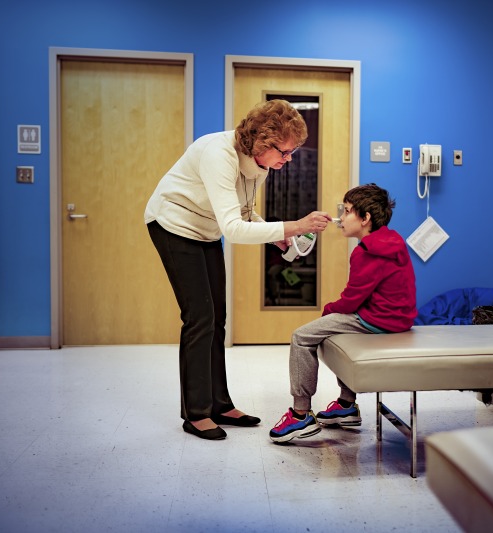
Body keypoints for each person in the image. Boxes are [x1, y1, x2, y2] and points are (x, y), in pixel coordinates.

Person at [145, 99, 332, 441]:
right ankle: (196, 413)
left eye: (291, 153)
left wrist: (275, 236)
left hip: (206, 228)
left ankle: (219, 403)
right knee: (199, 316)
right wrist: (292, 226)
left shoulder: (259, 164)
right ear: (262, 141)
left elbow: (243, 213)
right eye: (285, 152)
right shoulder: (219, 154)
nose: (287, 160)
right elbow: (233, 229)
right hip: (172, 223)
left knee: (218, 317)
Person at [269, 183, 417, 443]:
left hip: (379, 320)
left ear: (365, 218)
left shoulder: (367, 252)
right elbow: (363, 295)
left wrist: (328, 312)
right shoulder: (391, 241)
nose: (341, 217)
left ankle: (300, 414)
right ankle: (346, 405)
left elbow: (350, 301)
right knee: (337, 332)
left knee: (302, 337)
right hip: (397, 318)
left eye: (347, 211)